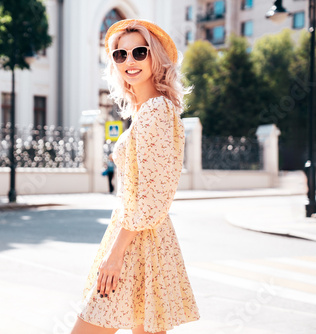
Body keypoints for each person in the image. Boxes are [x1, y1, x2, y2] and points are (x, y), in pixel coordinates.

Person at [70, 19, 200, 334]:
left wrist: (115, 254)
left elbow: (154, 195)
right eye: (120, 54)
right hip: (139, 238)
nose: (130, 61)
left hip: (137, 242)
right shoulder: (149, 109)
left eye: (139, 52)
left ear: (156, 57)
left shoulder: (156, 110)